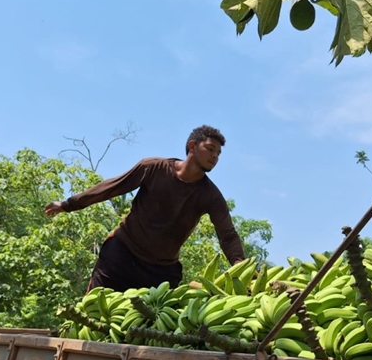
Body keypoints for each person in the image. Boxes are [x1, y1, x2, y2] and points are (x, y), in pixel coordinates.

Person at [44, 125, 245, 292]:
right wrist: (68, 204)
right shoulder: (154, 168)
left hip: (160, 271)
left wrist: (240, 266)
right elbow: (111, 188)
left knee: (152, 323)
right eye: (210, 149)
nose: (215, 156)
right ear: (192, 146)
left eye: (218, 153)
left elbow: (227, 235)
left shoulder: (211, 196)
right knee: (94, 311)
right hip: (122, 254)